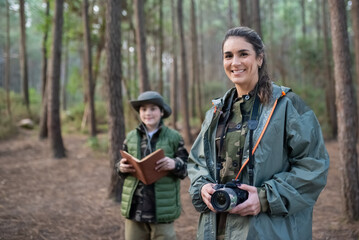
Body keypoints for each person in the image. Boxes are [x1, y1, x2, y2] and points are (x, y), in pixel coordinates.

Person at [187, 26, 329, 240]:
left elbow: (314, 166)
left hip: (268, 231)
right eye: (228, 56)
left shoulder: (286, 105)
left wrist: (264, 198)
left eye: (243, 54)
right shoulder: (216, 112)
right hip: (216, 230)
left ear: (260, 58)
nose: (235, 62)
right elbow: (197, 163)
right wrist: (203, 187)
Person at [115, 91, 188, 240]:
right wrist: (121, 167)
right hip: (135, 209)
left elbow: (187, 168)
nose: (148, 113)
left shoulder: (174, 137)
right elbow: (121, 167)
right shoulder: (130, 137)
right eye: (143, 109)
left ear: (161, 112)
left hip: (162, 210)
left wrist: (174, 164)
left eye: (153, 108)